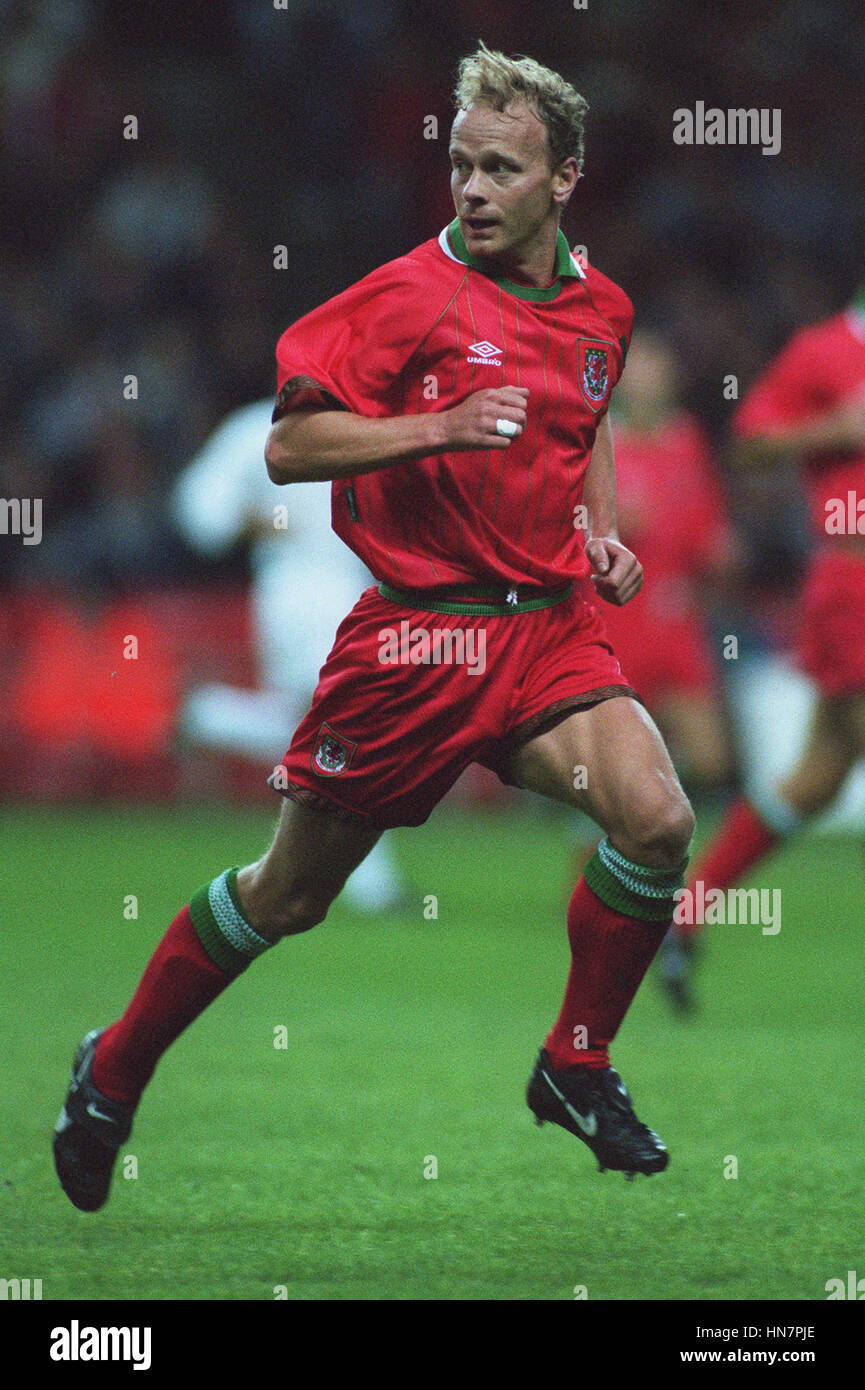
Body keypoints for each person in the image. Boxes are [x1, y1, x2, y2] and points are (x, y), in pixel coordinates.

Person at [54, 43, 694, 1213]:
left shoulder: (600, 305)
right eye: (459, 165)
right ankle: (115, 1065)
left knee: (656, 821)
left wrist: (598, 533)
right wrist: (435, 429)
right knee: (286, 897)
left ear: (564, 179)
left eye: (501, 168)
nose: (473, 189)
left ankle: (574, 1062)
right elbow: (289, 446)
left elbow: (583, 413)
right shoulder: (407, 297)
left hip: (549, 629)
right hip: (416, 640)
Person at [661, 285, 865, 1006]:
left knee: (816, 779)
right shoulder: (824, 350)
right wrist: (834, 430)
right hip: (854, 581)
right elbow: (749, 441)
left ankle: (683, 915)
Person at [171, 398, 407, 913]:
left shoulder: (368, 421)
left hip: (356, 588)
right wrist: (264, 524)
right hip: (299, 591)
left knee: (320, 732)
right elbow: (198, 510)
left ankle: (213, 716)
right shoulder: (258, 426)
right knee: (349, 728)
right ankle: (372, 884)